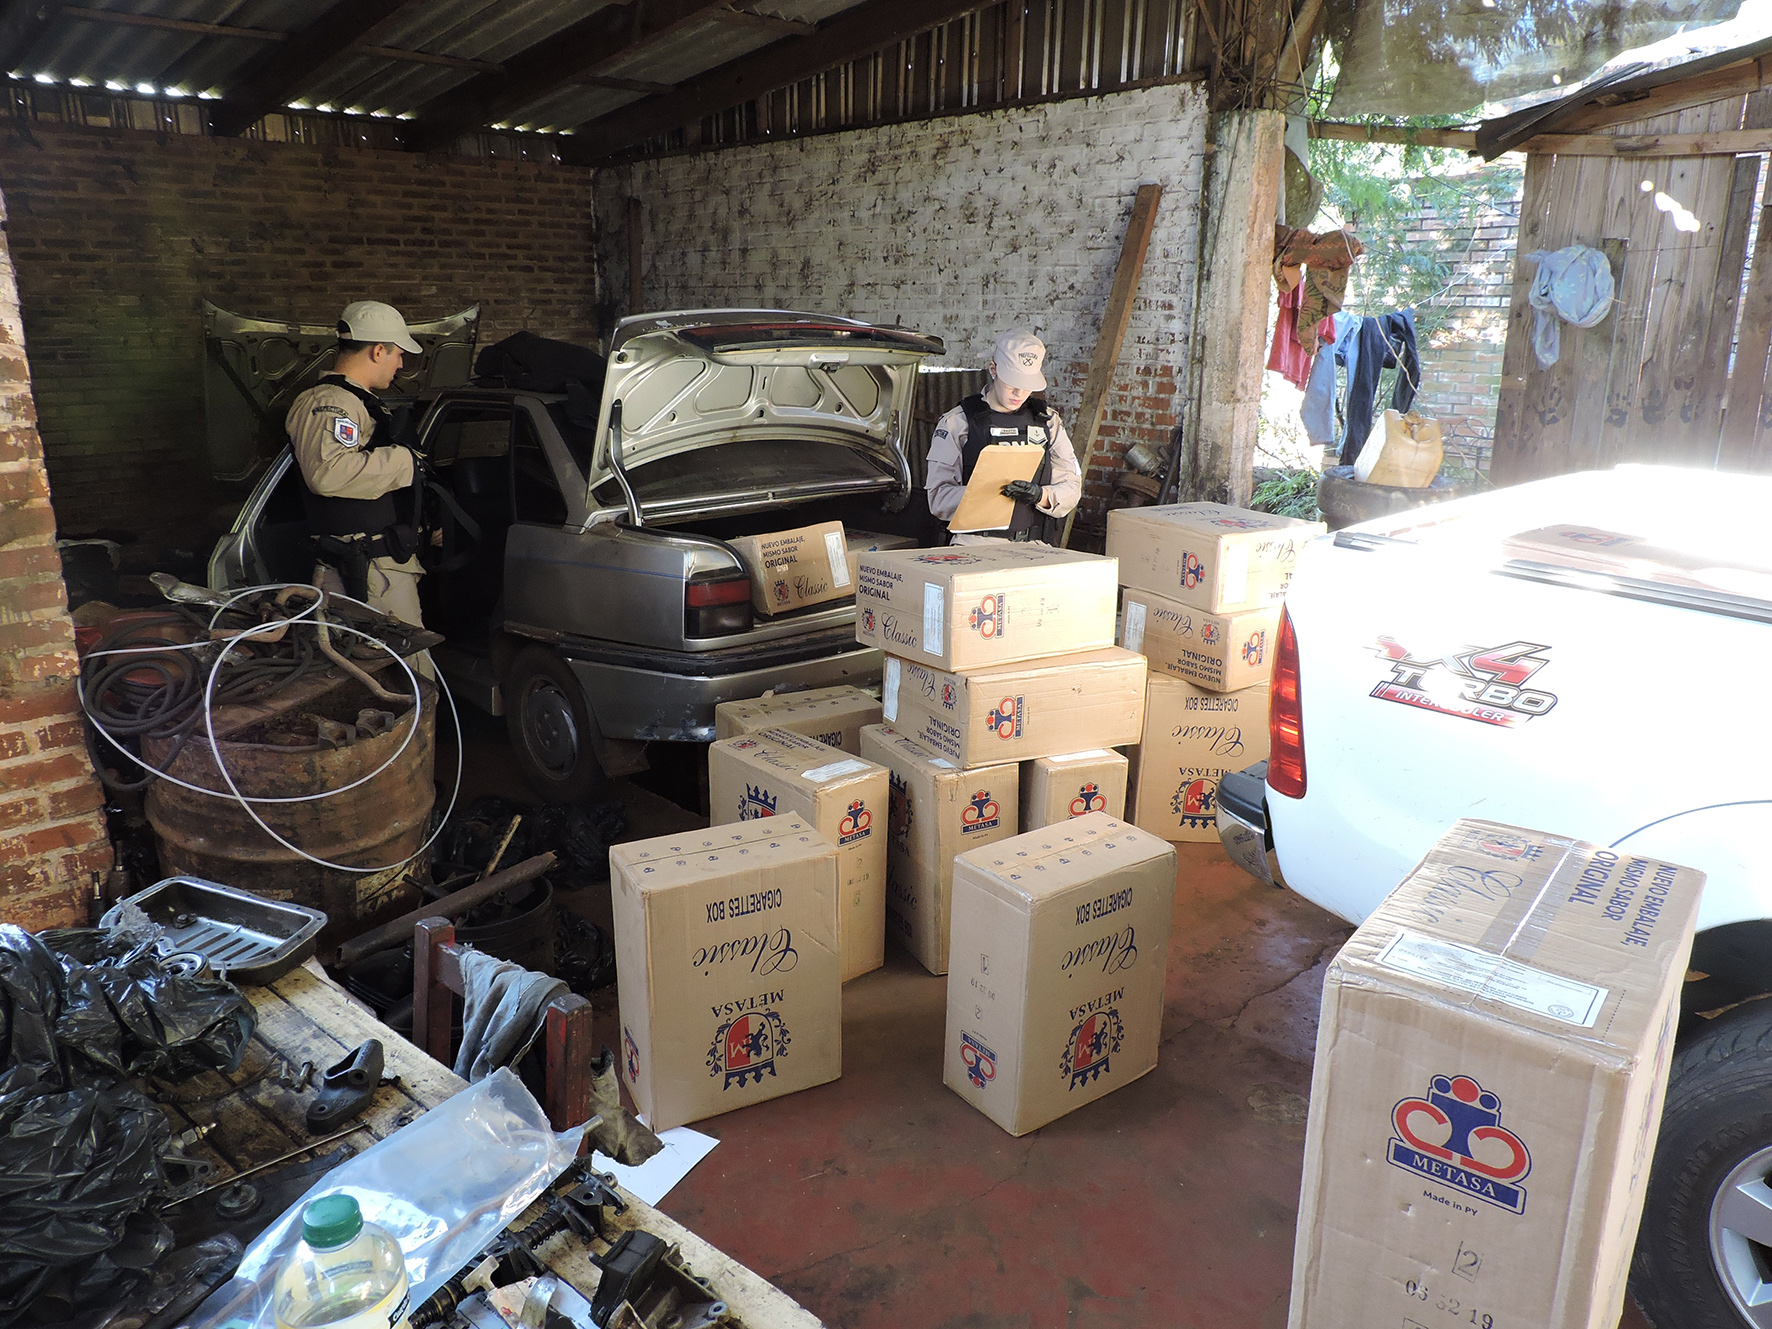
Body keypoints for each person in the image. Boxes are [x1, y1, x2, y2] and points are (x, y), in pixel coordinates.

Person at [286, 301, 427, 627]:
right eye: (398, 354)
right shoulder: (330, 402)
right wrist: (405, 460)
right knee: (401, 657)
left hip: (379, 564)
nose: (401, 363)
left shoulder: (358, 401)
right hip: (366, 572)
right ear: (378, 351)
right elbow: (327, 474)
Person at [925, 329, 1082, 545]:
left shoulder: (1048, 422)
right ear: (993, 370)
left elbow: (1072, 487)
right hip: (975, 545)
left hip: (1034, 546)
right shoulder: (958, 422)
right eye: (1011, 384)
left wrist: (1041, 496)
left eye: (1027, 386)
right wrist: (987, 493)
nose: (1019, 393)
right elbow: (938, 499)